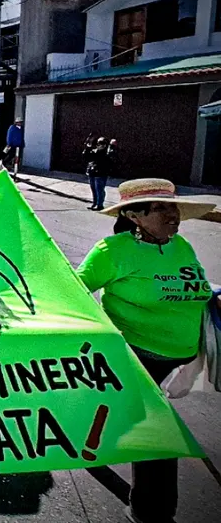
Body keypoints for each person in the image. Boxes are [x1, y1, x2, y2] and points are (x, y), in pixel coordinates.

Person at [77, 178, 217, 523]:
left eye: (174, 207)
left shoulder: (180, 245)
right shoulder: (112, 251)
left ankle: (87, 429)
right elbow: (74, 294)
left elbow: (191, 288)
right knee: (158, 440)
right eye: (161, 208)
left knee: (117, 416)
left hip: (183, 361)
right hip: (137, 360)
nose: (174, 215)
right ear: (135, 216)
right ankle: (151, 513)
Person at [83, 136, 116, 211]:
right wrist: (88, 147)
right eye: (98, 143)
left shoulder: (107, 153)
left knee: (99, 190)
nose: (98, 145)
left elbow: (111, 159)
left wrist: (112, 146)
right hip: (93, 173)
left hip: (101, 173)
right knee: (94, 189)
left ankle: (99, 205)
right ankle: (95, 203)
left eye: (100, 143)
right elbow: (85, 156)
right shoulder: (94, 151)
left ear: (105, 145)